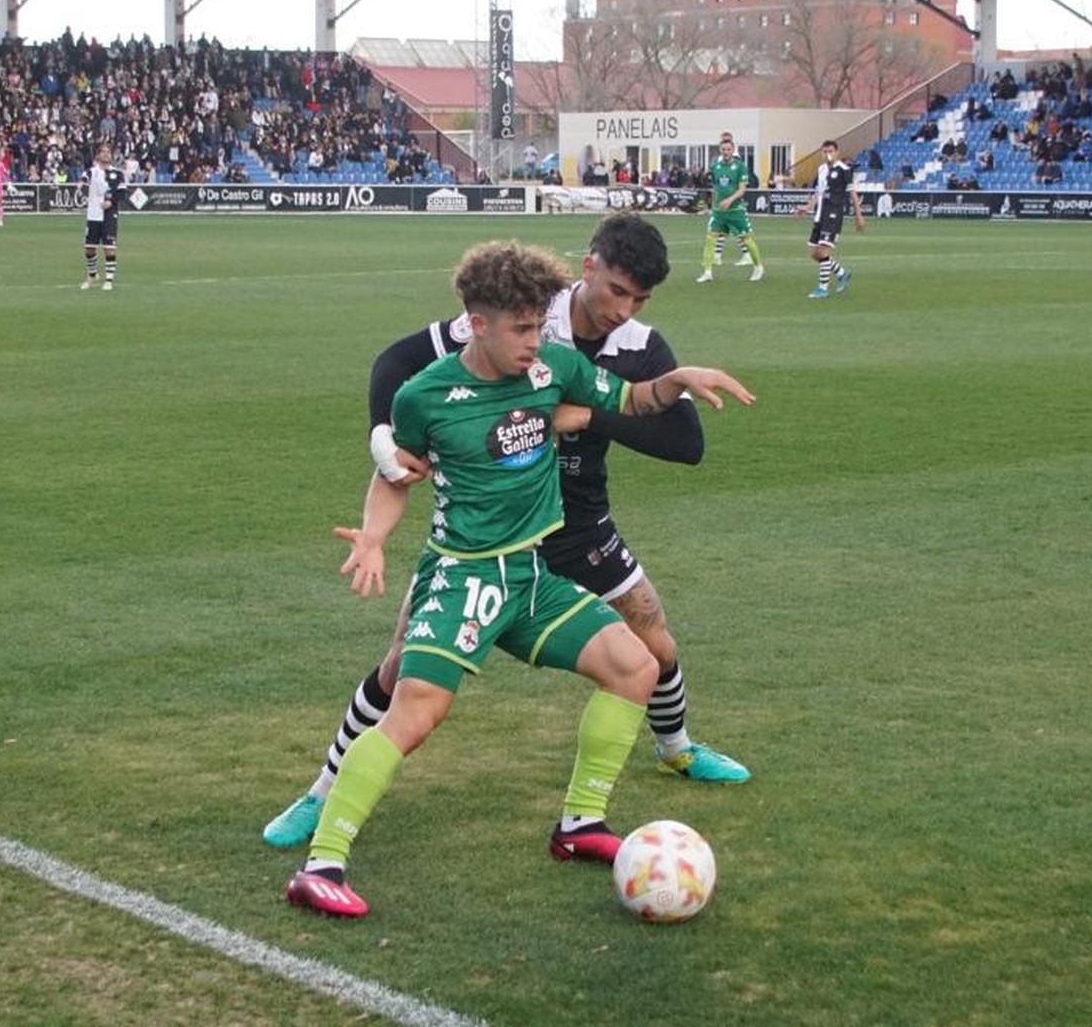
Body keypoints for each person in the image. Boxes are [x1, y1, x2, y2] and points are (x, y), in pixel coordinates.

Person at [283, 241, 755, 918]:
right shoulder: (428, 394)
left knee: (634, 664)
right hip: (465, 575)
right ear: (478, 324)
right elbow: (396, 476)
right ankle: (321, 864)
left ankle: (579, 826)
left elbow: (630, 398)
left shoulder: (554, 366)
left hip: (532, 575)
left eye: (540, 325)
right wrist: (376, 537)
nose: (538, 342)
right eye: (523, 329)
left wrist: (678, 378)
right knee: (416, 710)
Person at [794, 139, 865, 300]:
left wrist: (858, 215)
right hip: (820, 214)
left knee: (823, 251)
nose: (828, 154)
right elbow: (819, 192)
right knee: (815, 254)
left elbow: (852, 192)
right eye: (825, 152)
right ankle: (842, 273)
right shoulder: (821, 169)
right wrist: (807, 207)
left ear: (837, 152)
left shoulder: (844, 169)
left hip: (834, 214)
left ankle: (822, 288)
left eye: (831, 151)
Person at [697, 135, 764, 282]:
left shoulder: (740, 166)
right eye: (723, 149)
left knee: (746, 239)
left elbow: (742, 189)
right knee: (710, 239)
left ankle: (758, 267)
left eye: (728, 149)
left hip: (736, 211)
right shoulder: (715, 167)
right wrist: (713, 205)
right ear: (720, 150)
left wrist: (729, 200)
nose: (726, 152)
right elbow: (715, 188)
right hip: (719, 212)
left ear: (733, 150)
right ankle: (708, 272)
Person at [80, 144, 125, 291]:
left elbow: (122, 193)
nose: (106, 154)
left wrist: (111, 202)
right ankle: (92, 275)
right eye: (103, 152)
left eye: (108, 152)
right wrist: (82, 183)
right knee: (89, 249)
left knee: (109, 248)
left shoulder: (117, 174)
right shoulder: (92, 171)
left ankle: (109, 280)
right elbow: (84, 177)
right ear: (98, 155)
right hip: (93, 214)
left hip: (109, 215)